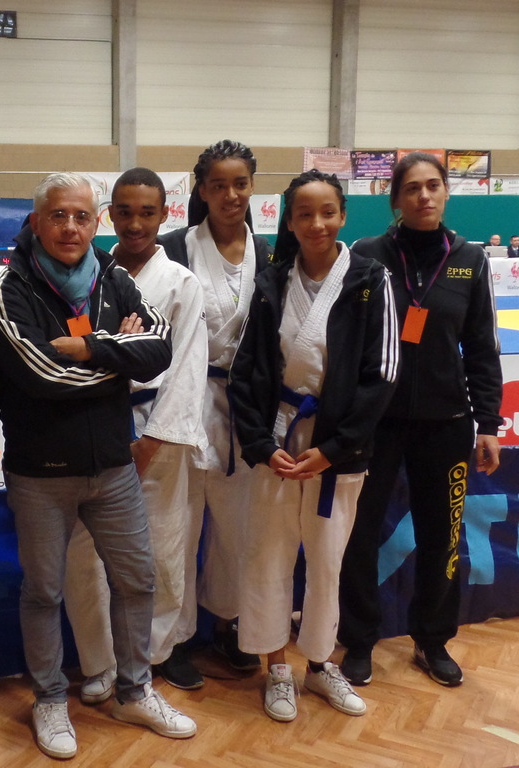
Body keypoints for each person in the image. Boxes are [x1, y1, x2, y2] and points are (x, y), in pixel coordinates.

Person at [0, 172, 195, 761]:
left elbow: (159, 348)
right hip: (40, 473)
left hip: (113, 467)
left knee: (138, 581)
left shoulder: (113, 275)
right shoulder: (9, 288)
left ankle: (134, 690)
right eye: (58, 215)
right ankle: (50, 698)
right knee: (44, 591)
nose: (70, 227)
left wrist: (92, 347)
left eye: (82, 216)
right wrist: (120, 355)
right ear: (37, 221)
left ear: (94, 222)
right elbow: (41, 376)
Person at [228, 169, 399, 722]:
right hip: (279, 438)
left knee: (328, 561)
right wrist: (260, 444)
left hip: (337, 447)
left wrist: (337, 447)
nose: (317, 223)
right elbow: (246, 370)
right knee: (267, 555)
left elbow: (382, 375)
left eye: (327, 212)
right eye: (304, 214)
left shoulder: (370, 279)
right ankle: (276, 667)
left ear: (343, 216)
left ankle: (321, 665)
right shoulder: (272, 281)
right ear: (290, 221)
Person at [338, 152, 503, 688]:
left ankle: (432, 640)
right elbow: (348, 341)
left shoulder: (470, 260)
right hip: (376, 423)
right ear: (396, 199)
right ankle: (358, 640)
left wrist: (488, 423)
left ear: (446, 193)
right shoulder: (367, 254)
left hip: (445, 423)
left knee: (443, 537)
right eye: (412, 188)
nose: (424, 196)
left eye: (433, 186)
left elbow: (482, 348)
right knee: (359, 534)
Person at [62, 167, 209, 699]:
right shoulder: (87, 275)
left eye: (147, 212)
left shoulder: (181, 283)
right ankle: (99, 661)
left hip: (156, 433)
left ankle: (152, 655)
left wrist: (152, 441)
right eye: (123, 212)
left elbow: (188, 365)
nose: (135, 223)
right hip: (95, 429)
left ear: (166, 214)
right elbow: (74, 350)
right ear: (109, 216)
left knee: (161, 549)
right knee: (85, 554)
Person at [157, 139, 271, 675]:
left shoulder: (267, 253)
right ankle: (173, 640)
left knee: (237, 528)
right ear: (201, 191)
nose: (230, 195)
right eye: (218, 185)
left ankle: (227, 624)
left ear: (252, 187)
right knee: (178, 527)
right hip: (182, 398)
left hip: (243, 407)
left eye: (240, 184)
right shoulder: (174, 248)